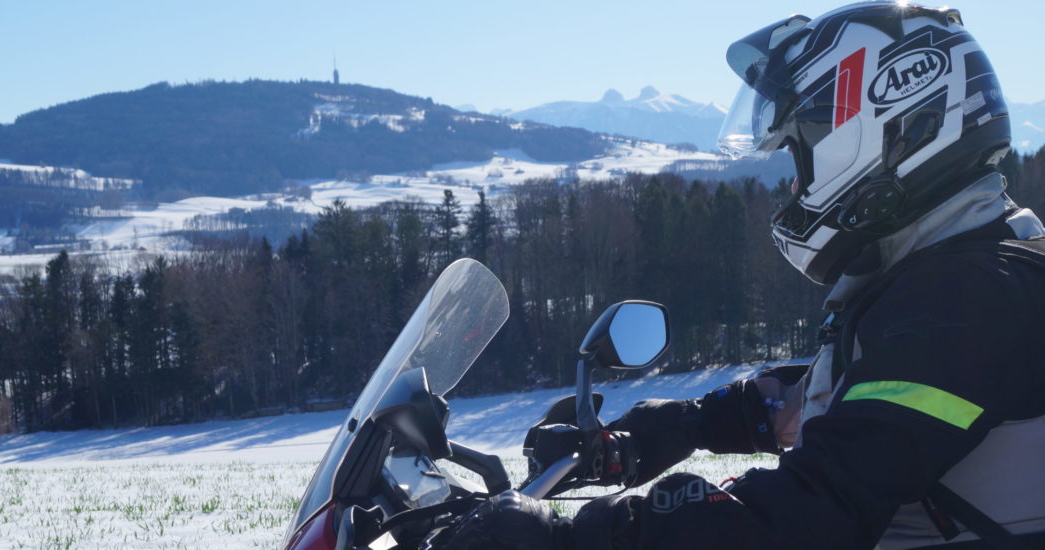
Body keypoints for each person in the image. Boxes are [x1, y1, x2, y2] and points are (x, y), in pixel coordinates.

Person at [446, 2, 1045, 549]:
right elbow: (847, 401)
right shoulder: (974, 267)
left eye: (801, 156)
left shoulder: (970, 298)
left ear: (882, 132)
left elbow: (810, 512)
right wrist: (666, 428)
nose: (793, 186)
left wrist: (572, 538)